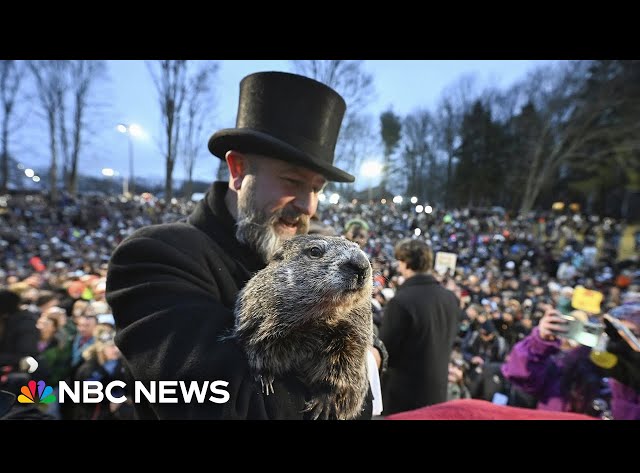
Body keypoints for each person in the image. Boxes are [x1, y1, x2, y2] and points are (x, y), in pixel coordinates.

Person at [107, 71, 381, 419]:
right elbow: (229, 405)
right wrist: (366, 365)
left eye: (316, 188)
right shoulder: (155, 255)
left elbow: (366, 330)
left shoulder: (314, 244)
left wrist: (370, 353)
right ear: (237, 170)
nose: (308, 205)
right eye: (292, 180)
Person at [501, 305, 640, 419]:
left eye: (632, 334)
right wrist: (539, 343)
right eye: (614, 332)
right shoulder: (570, 364)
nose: (620, 340)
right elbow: (522, 376)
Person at [378, 239, 463, 415]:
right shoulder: (450, 298)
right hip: (437, 393)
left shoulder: (401, 301)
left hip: (403, 397)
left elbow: (386, 352)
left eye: (400, 261)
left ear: (406, 263)